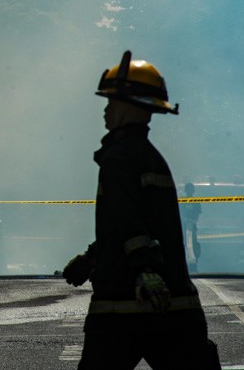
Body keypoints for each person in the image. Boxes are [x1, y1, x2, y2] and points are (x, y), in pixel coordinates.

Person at [62, 51, 220, 369]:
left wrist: (144, 269)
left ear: (128, 106)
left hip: (123, 304)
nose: (106, 110)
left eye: (111, 101)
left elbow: (129, 221)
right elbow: (135, 222)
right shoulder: (150, 156)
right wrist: (93, 257)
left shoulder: (118, 157)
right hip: (173, 304)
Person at [181, 182, 202, 273]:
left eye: (191, 189)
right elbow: (180, 212)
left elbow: (197, 214)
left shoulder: (196, 202)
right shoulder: (182, 201)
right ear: (186, 190)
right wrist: (185, 220)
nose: (189, 191)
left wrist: (193, 221)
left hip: (192, 227)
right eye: (188, 189)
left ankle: (194, 264)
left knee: (193, 244)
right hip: (183, 227)